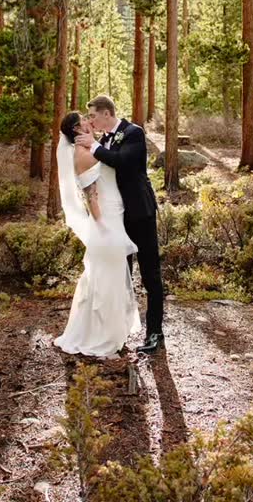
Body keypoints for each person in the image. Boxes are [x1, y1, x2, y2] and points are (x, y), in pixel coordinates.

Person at [76, 94, 164, 355]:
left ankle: (155, 333)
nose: (91, 120)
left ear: (106, 113)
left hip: (141, 213)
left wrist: (92, 146)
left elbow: (123, 162)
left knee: (150, 274)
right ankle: (119, 330)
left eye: (92, 115)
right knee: (121, 277)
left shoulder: (133, 132)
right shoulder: (105, 140)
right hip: (118, 219)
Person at [53, 110, 140, 358]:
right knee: (106, 281)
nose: (89, 121)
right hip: (106, 223)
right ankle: (101, 337)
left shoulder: (92, 147)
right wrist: (102, 227)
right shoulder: (82, 154)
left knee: (108, 279)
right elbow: (91, 195)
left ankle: (111, 334)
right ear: (77, 130)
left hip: (115, 217)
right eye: (84, 120)